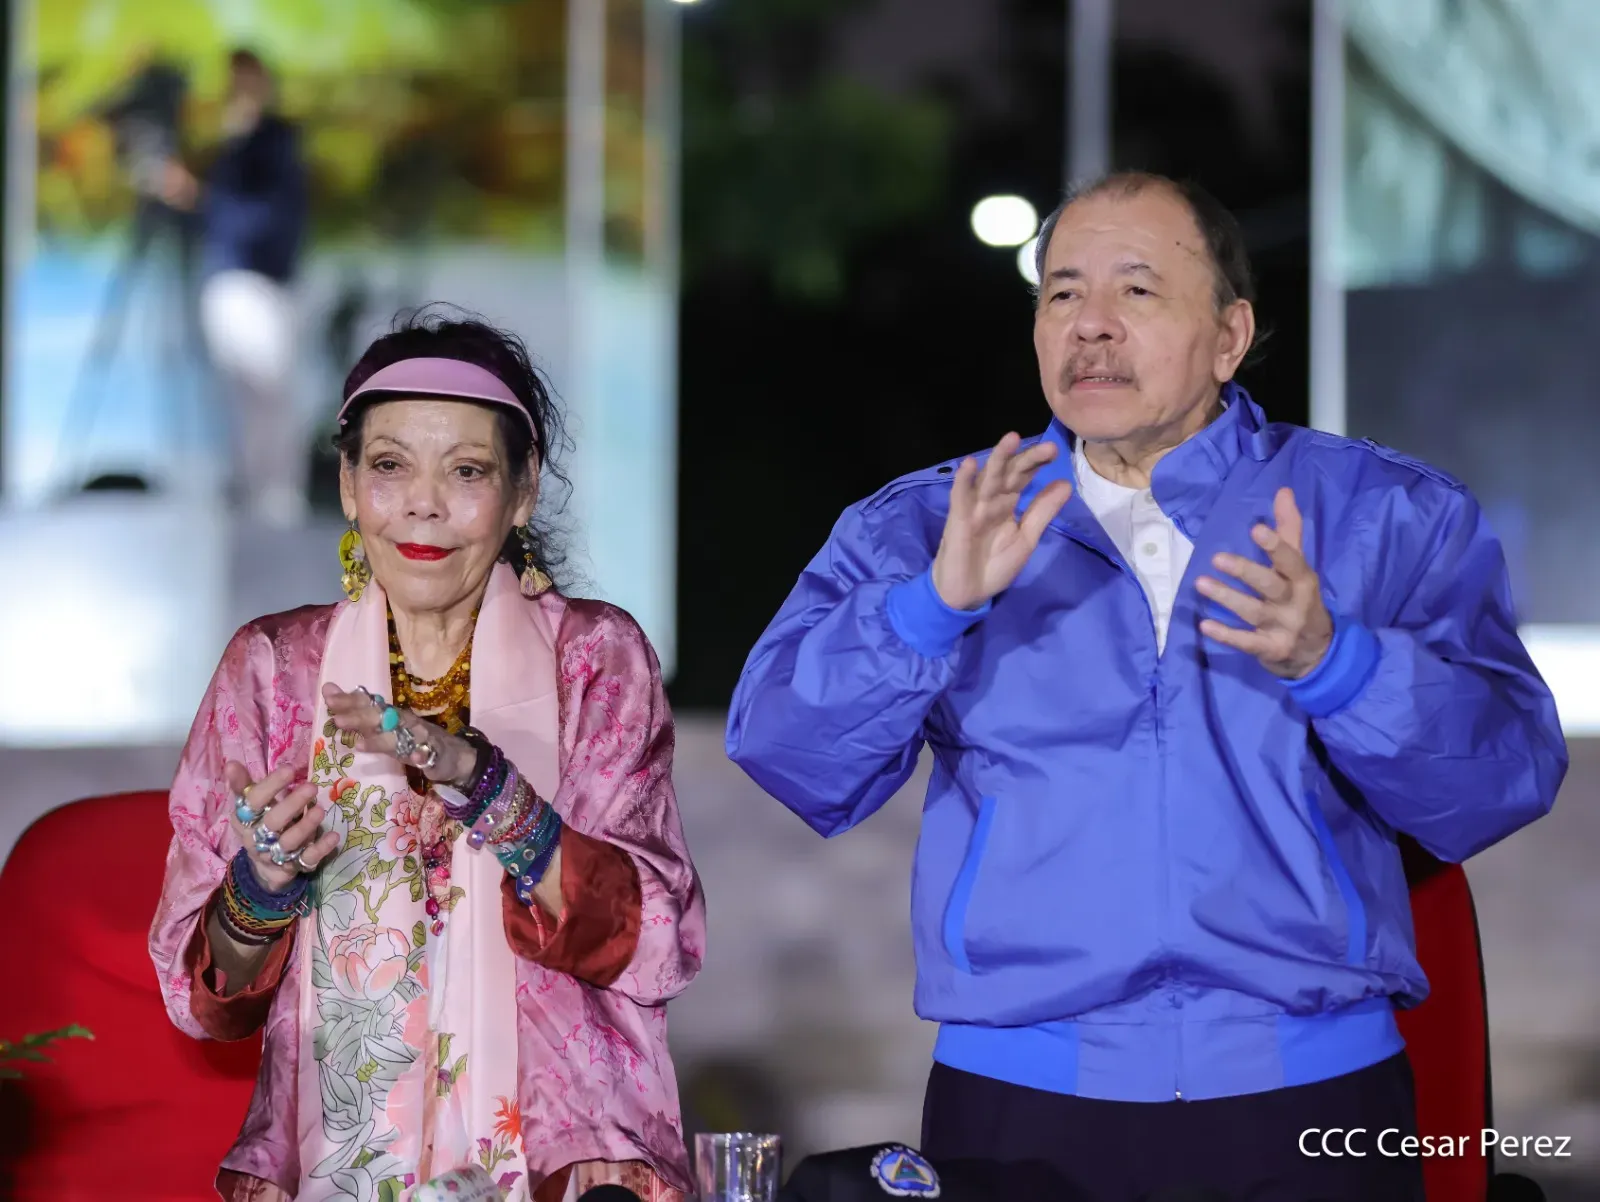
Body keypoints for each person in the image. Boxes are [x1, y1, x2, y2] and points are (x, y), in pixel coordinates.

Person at [725, 172, 1567, 1202]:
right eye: (1061, 293)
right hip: (1019, 1101)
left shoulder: (1382, 514)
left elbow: (1503, 776)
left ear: (1227, 334)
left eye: (1135, 291)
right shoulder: (935, 522)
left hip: (1311, 1098)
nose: (1090, 327)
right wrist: (928, 608)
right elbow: (783, 747)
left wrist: (1336, 663)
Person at [150, 312, 705, 1202]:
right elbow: (202, 998)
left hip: (559, 1168)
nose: (423, 504)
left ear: (522, 495)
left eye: (468, 472)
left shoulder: (593, 660)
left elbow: (659, 939)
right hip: (332, 1168)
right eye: (390, 465)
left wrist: (482, 785)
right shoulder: (272, 670)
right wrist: (263, 885)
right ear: (346, 483)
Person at [161, 48, 309, 526]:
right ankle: (253, 500)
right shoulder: (230, 149)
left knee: (268, 400)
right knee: (241, 401)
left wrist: (200, 196)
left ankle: (277, 504)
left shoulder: (274, 147)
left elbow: (263, 219)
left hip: (259, 285)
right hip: (228, 283)